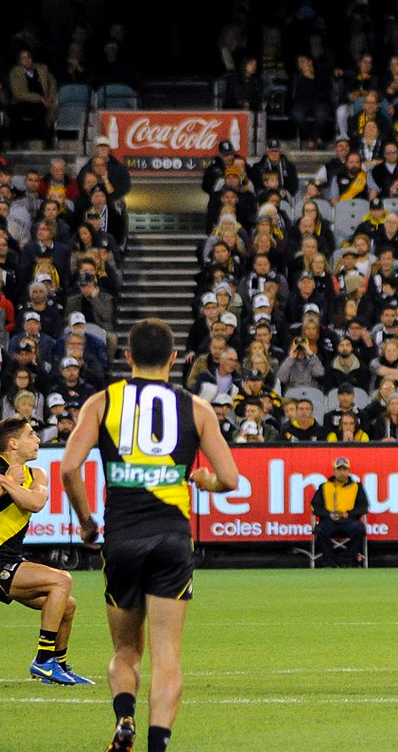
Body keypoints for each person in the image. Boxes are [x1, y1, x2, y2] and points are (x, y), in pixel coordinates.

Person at [61, 319, 240, 752]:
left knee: (125, 650)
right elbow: (231, 479)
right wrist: (203, 479)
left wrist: (86, 523)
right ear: (174, 359)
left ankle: (125, 720)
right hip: (171, 540)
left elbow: (68, 468)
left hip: (122, 537)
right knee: (167, 656)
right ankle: (158, 744)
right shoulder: (196, 408)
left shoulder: (103, 403)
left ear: (128, 358)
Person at [0, 416, 94, 686]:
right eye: (31, 434)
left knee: (67, 604)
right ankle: (43, 661)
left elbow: (36, 502)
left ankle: (58, 666)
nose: (38, 439)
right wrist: (8, 480)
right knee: (61, 579)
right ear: (13, 443)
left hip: (9, 561)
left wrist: (7, 484)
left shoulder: (35, 474)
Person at [310, 457, 369, 568]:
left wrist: (349, 514)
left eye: (344, 470)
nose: (342, 473)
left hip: (349, 520)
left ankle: (349, 559)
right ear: (334, 471)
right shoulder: (324, 487)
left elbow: (363, 507)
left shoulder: (356, 487)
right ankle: (330, 561)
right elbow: (315, 506)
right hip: (329, 520)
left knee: (360, 529)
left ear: (349, 471)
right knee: (319, 530)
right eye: (339, 470)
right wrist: (329, 514)